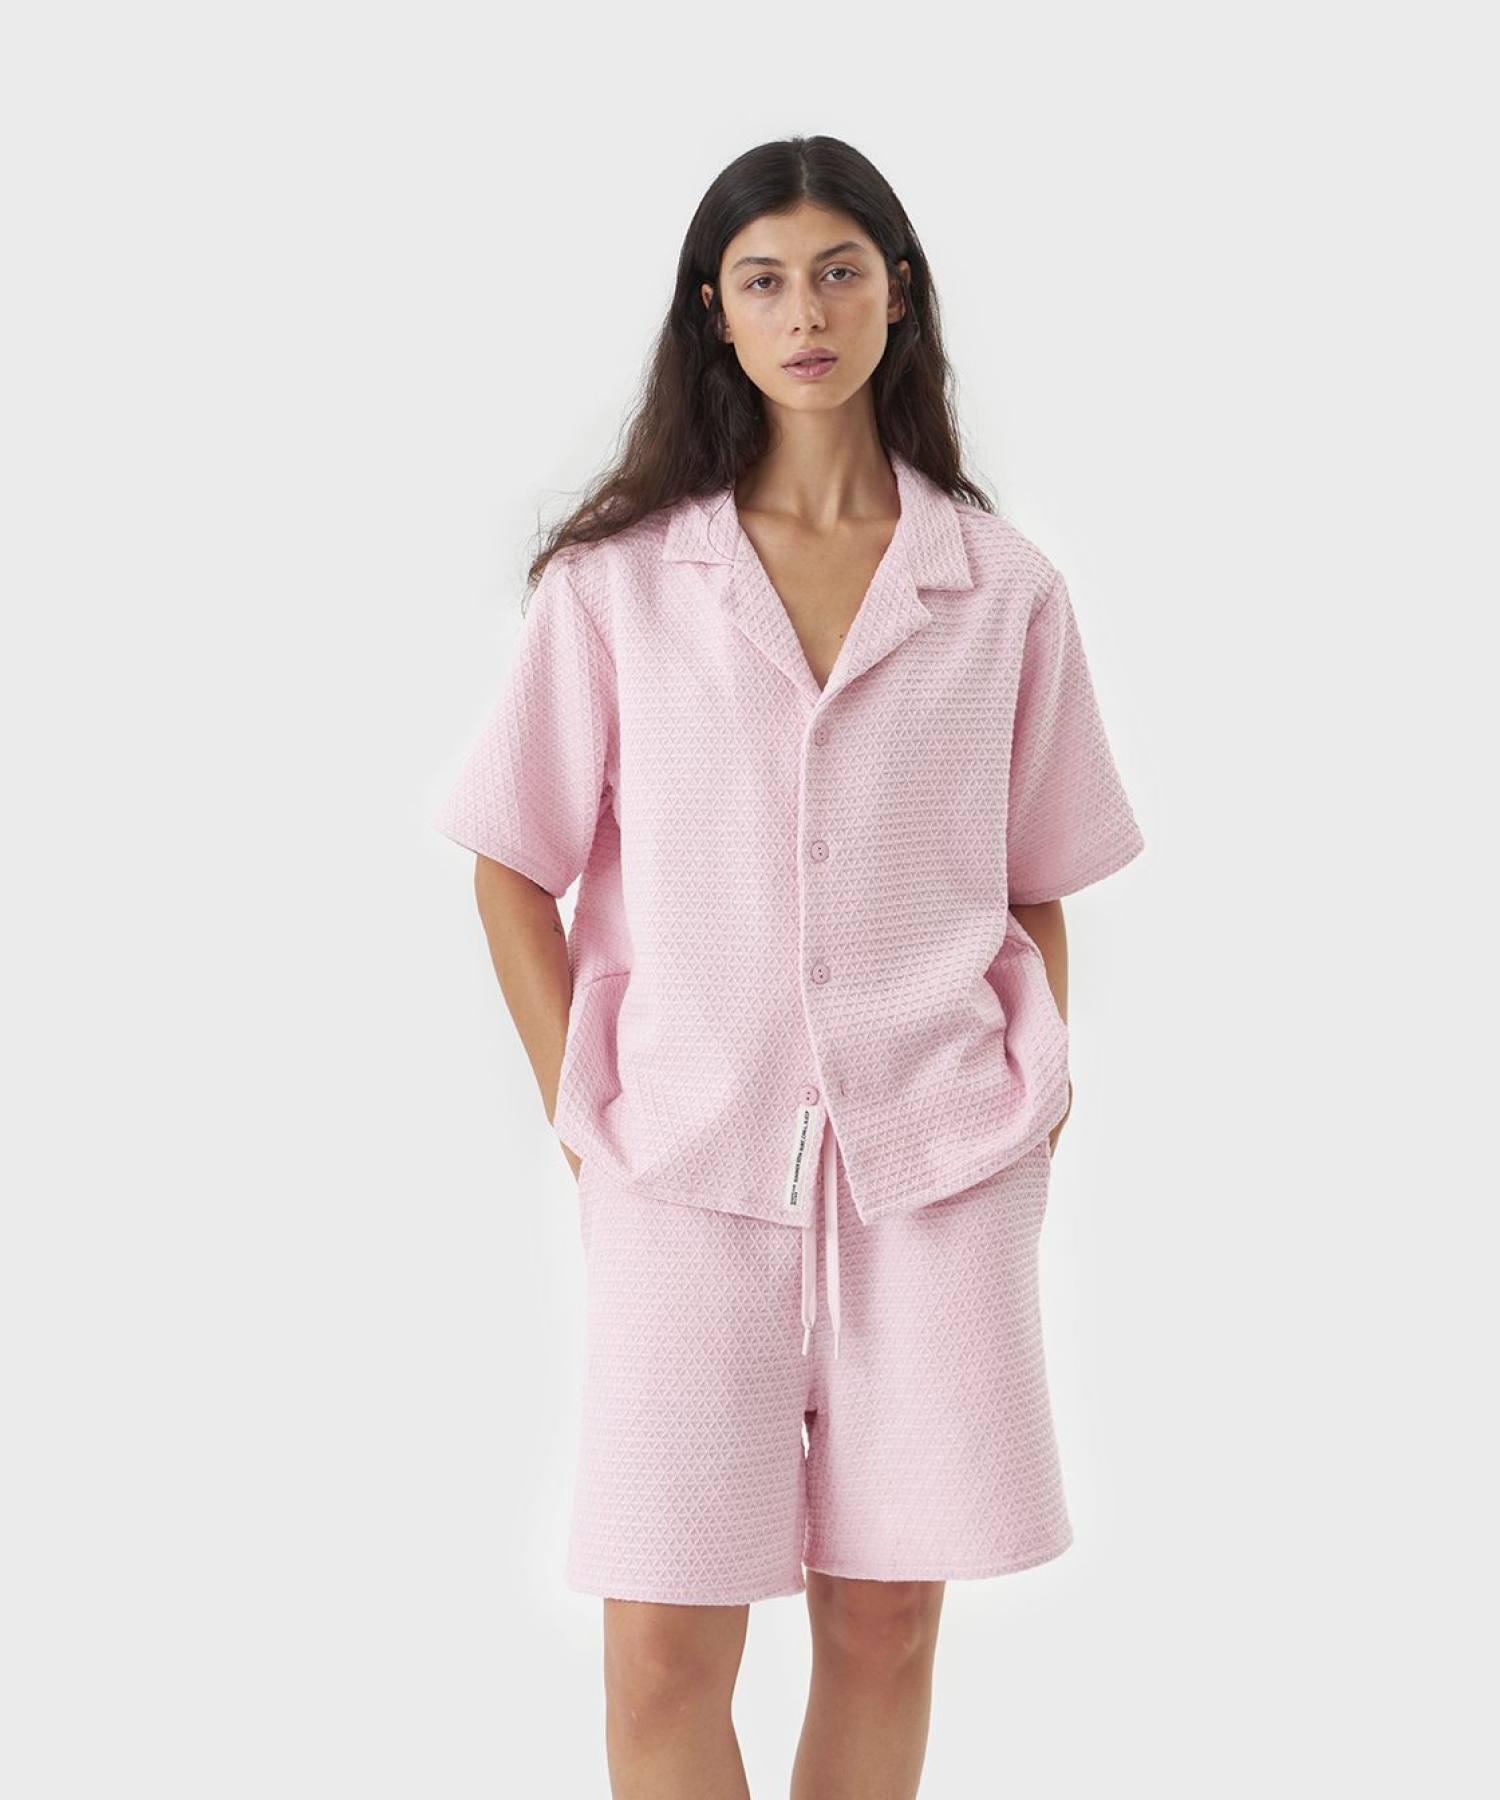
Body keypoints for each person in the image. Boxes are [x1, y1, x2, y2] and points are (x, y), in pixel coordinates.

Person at [431, 134, 1145, 1800]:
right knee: (664, 1643)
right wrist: (582, 1115)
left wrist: (1034, 1094)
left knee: (887, 1620)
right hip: (683, 1167)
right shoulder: (619, 590)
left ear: (899, 295)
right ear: (717, 313)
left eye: (838, 272)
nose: (806, 313)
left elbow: (1039, 882)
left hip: (940, 1168)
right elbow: (510, 865)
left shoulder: (1002, 591)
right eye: (764, 280)